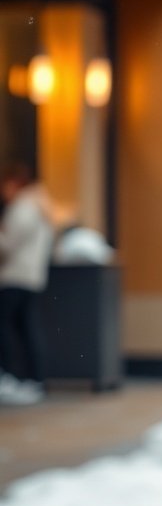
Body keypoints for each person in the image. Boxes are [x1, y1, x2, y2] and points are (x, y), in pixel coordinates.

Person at [0, 163, 54, 402]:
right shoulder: (41, 207)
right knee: (27, 328)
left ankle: (14, 377)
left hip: (15, 276)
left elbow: (7, 243)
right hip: (32, 277)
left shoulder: (23, 207)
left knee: (7, 327)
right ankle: (34, 380)